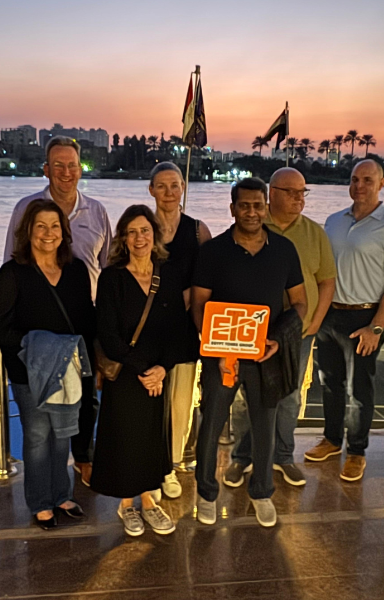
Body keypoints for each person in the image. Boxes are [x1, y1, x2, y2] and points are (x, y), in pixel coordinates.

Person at [191, 178, 307, 528]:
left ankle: (261, 492)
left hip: (265, 354)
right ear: (233, 209)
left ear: (266, 207)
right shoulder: (212, 251)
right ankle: (206, 492)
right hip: (221, 355)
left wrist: (279, 337)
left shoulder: (284, 250)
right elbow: (198, 303)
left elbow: (300, 303)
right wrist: (213, 341)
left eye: (258, 205)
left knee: (264, 424)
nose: (252, 212)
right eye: (245, 205)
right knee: (210, 423)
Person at [3, 136, 112, 487]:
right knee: (38, 422)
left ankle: (83, 459)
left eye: (72, 165)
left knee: (83, 402)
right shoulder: (26, 207)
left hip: (83, 323)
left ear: (81, 169)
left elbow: (108, 266)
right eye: (58, 165)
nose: (66, 172)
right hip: (36, 330)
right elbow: (10, 263)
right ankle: (43, 491)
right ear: (47, 169)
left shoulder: (96, 211)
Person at [0, 199, 96, 529]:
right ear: (28, 232)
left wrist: (93, 363)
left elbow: (85, 321)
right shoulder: (13, 272)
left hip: (68, 371)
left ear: (64, 232)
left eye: (54, 227)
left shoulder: (76, 270)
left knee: (62, 434)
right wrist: (39, 347)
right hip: (28, 370)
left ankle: (62, 495)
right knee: (36, 436)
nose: (48, 234)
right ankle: (39, 502)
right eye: (40, 226)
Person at [226, 167, 336, 489]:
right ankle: (241, 457)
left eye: (303, 192)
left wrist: (315, 321)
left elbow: (327, 281)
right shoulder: (252, 226)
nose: (299, 198)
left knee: (289, 396)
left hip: (298, 334)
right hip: (253, 331)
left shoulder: (315, 233)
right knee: (246, 396)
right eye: (292, 192)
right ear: (271, 192)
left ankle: (283, 456)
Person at [304, 159, 384, 482]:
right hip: (329, 313)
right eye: (354, 179)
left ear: (381, 184)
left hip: (365, 316)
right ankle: (333, 439)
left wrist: (376, 326)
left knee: (359, 389)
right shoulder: (334, 221)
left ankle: (357, 451)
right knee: (330, 383)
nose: (359, 186)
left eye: (367, 180)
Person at [91, 205, 186, 536]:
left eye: (144, 230)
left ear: (154, 235)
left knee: (150, 437)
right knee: (124, 436)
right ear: (123, 239)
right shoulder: (112, 278)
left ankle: (148, 501)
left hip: (157, 374)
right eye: (132, 232)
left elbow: (177, 329)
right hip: (128, 373)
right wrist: (143, 369)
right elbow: (107, 333)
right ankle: (126, 504)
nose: (139, 237)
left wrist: (162, 368)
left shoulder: (167, 276)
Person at [148, 161, 212, 499]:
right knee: (149, 398)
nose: (169, 192)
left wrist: (187, 300)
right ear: (151, 190)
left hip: (186, 326)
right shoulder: (141, 227)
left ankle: (170, 466)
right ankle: (149, 466)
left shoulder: (198, 230)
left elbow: (209, 277)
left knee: (181, 400)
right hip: (148, 327)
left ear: (183, 188)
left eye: (175, 185)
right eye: (162, 186)